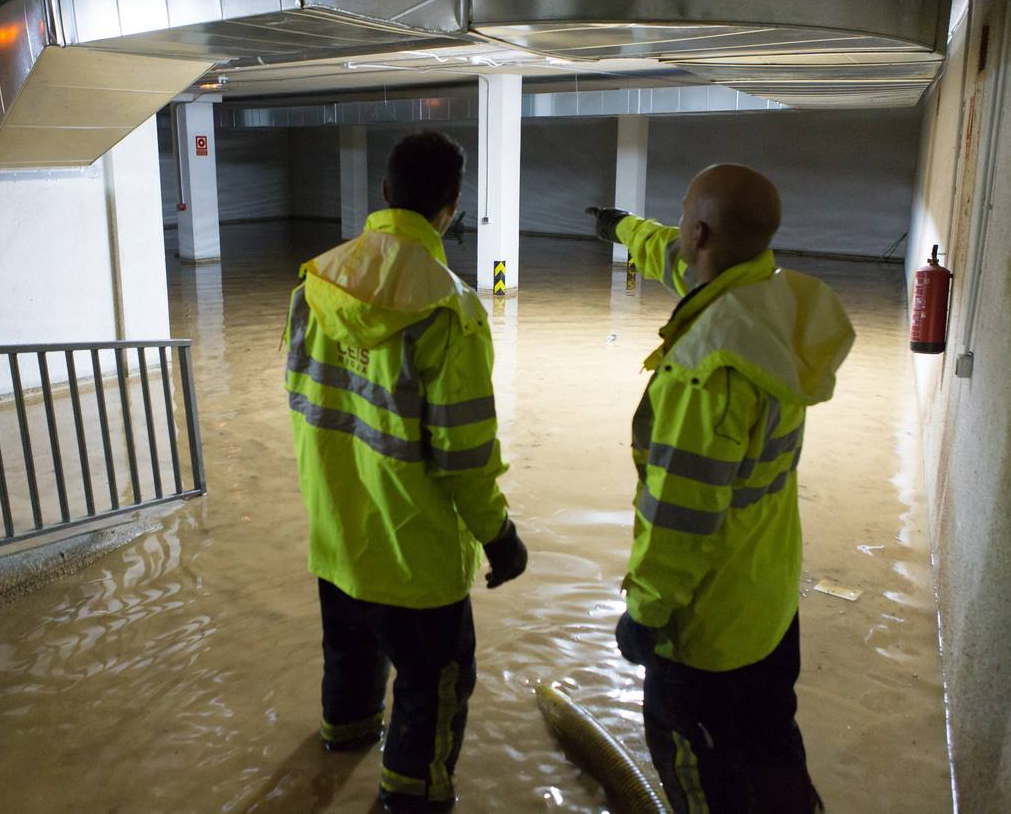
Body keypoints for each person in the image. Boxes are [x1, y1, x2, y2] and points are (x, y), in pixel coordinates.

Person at [586, 164, 855, 814]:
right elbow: (677, 261)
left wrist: (646, 617)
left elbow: (681, 516)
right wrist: (623, 228)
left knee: (703, 778)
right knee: (770, 753)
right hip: (767, 604)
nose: (677, 229)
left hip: (707, 633)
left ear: (700, 231)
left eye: (682, 216)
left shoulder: (708, 368)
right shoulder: (772, 303)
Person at [285, 130, 528, 813]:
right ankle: (409, 799)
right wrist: (499, 534)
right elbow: (465, 455)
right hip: (416, 560)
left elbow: (303, 402)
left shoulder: (315, 282)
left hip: (338, 537)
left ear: (385, 193)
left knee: (350, 655)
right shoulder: (450, 311)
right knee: (432, 687)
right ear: (450, 208)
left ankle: (344, 738)